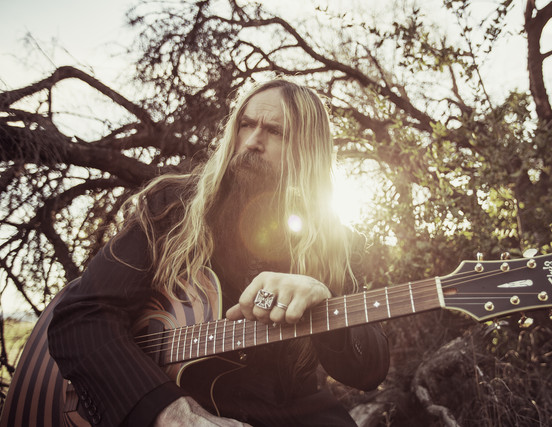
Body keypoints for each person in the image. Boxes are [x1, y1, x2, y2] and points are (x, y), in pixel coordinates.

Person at [48, 79, 390, 427]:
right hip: (170, 402)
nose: (253, 141)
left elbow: (370, 371)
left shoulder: (334, 241)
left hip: (290, 409)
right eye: (246, 124)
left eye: (275, 131)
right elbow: (81, 317)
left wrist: (325, 301)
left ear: (308, 150)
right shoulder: (173, 208)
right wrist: (168, 412)